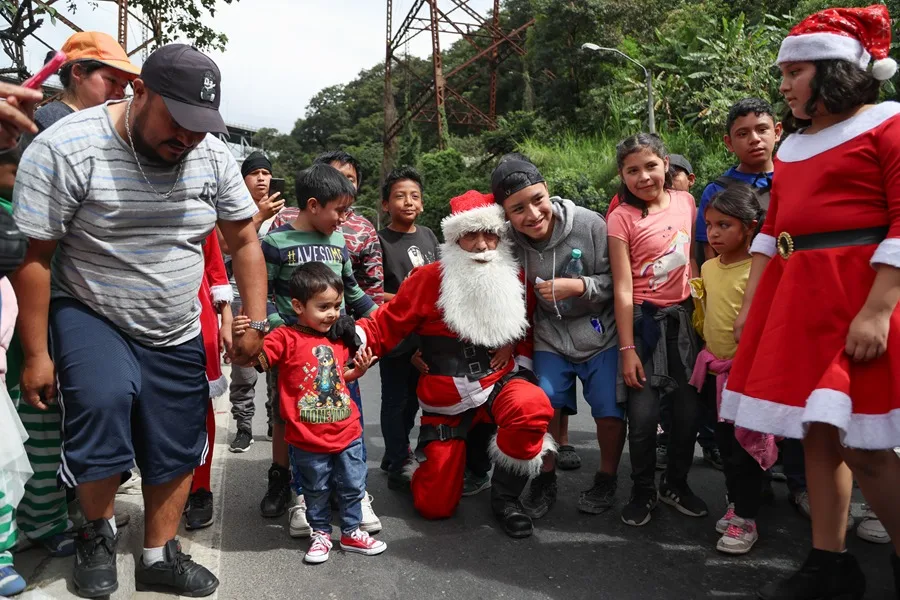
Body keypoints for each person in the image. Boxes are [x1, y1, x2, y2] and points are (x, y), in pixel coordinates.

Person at [10, 44, 267, 598]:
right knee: (102, 404)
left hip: (175, 321)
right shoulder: (69, 147)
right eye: (177, 121)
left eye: (200, 126)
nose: (188, 137)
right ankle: (97, 537)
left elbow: (245, 240)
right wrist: (36, 354)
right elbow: (36, 255)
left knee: (176, 438)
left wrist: (254, 323)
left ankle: (158, 555)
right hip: (92, 310)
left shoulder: (212, 155)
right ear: (140, 91)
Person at [723, 6, 900, 598]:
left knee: (864, 444)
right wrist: (754, 305)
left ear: (833, 70)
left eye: (793, 72)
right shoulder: (795, 147)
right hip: (800, 302)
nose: (783, 85)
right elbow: (773, 233)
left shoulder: (889, 125)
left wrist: (877, 310)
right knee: (818, 435)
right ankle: (830, 563)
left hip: (861, 298)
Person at [346, 190, 555, 538]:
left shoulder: (514, 275)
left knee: (531, 407)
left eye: (490, 234)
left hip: (497, 382)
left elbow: (529, 325)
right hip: (446, 397)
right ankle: (437, 462)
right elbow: (385, 324)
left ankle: (507, 499)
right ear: (455, 240)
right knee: (434, 506)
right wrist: (348, 344)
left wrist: (511, 344)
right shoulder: (428, 279)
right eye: (470, 235)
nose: (482, 244)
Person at [492, 159, 625, 520]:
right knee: (544, 405)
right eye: (518, 209)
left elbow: (619, 280)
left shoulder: (590, 224)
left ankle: (606, 478)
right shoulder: (508, 241)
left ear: (547, 190)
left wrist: (580, 286)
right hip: (549, 334)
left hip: (599, 332)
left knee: (610, 409)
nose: (532, 214)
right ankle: (544, 478)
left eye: (537, 199)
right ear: (505, 213)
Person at [233, 263, 385, 564]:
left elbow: (338, 377)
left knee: (353, 485)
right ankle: (321, 534)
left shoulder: (337, 338)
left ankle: (352, 531)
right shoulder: (284, 338)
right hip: (307, 438)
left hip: (348, 432)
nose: (332, 314)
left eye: (337, 306)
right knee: (315, 489)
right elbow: (250, 359)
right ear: (298, 306)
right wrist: (242, 337)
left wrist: (357, 371)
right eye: (323, 307)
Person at [260, 163, 380, 538]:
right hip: (290, 354)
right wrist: (278, 332)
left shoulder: (338, 242)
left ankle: (351, 493)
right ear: (313, 205)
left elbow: (353, 291)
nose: (344, 219)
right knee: (290, 418)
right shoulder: (275, 243)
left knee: (344, 412)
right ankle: (299, 494)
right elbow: (262, 294)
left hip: (335, 350)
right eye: (339, 211)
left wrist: (381, 322)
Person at [607, 133, 707, 527]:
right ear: (623, 175)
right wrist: (627, 348)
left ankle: (675, 484)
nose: (644, 177)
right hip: (643, 324)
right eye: (633, 170)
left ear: (666, 164)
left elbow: (692, 259)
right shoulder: (621, 218)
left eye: (651, 166)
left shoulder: (686, 202)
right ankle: (643, 489)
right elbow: (622, 287)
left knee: (687, 413)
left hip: (683, 321)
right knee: (644, 416)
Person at [689, 183, 775, 556]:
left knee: (745, 447)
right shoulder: (709, 268)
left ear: (750, 226)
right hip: (716, 374)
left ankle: (746, 518)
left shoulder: (760, 270)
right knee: (726, 445)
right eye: (710, 225)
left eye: (725, 225)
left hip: (749, 375)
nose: (714, 233)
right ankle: (739, 504)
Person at [376, 166, 439, 490]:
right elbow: (373, 291)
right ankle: (399, 460)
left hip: (426, 336)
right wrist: (410, 299)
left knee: (415, 401)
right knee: (395, 400)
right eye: (400, 196)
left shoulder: (428, 236)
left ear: (423, 203)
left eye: (415, 196)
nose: (408, 202)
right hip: (396, 336)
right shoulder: (380, 241)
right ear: (385, 204)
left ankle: (394, 453)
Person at [223, 151, 284, 452]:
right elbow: (223, 246)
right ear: (243, 179)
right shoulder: (232, 210)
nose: (262, 178)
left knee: (277, 366)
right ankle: (244, 426)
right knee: (244, 368)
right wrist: (258, 216)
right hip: (240, 298)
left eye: (266, 173)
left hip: (276, 300)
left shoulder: (285, 215)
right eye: (254, 173)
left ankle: (275, 420)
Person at [183, 232, 233, 531]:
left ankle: (200, 487)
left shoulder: (201, 213)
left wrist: (226, 318)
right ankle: (169, 483)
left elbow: (215, 267)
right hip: (137, 319)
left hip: (198, 320)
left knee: (199, 406)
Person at [694, 99, 782, 263]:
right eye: (742, 134)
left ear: (777, 132)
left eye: (762, 130)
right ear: (729, 143)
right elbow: (709, 252)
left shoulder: (793, 180)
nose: (754, 139)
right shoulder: (717, 190)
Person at [28, 31, 139, 137]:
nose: (120, 93)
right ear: (78, 72)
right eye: (111, 80)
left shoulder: (100, 125)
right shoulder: (51, 122)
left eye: (123, 86)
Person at [605, 153, 694, 219]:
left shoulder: (689, 204)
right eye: (634, 171)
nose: (668, 181)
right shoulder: (621, 202)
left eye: (673, 175)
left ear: (691, 179)